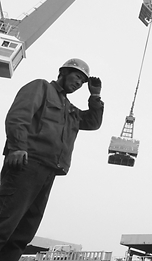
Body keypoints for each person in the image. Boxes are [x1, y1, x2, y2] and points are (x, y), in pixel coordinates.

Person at [0, 58, 104, 261]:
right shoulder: (41, 87)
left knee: (23, 232)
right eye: (76, 76)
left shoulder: (70, 109)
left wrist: (95, 95)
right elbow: (18, 116)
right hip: (26, 163)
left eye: (82, 82)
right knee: (5, 221)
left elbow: (92, 122)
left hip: (49, 171)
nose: (78, 83)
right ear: (63, 72)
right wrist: (17, 147)